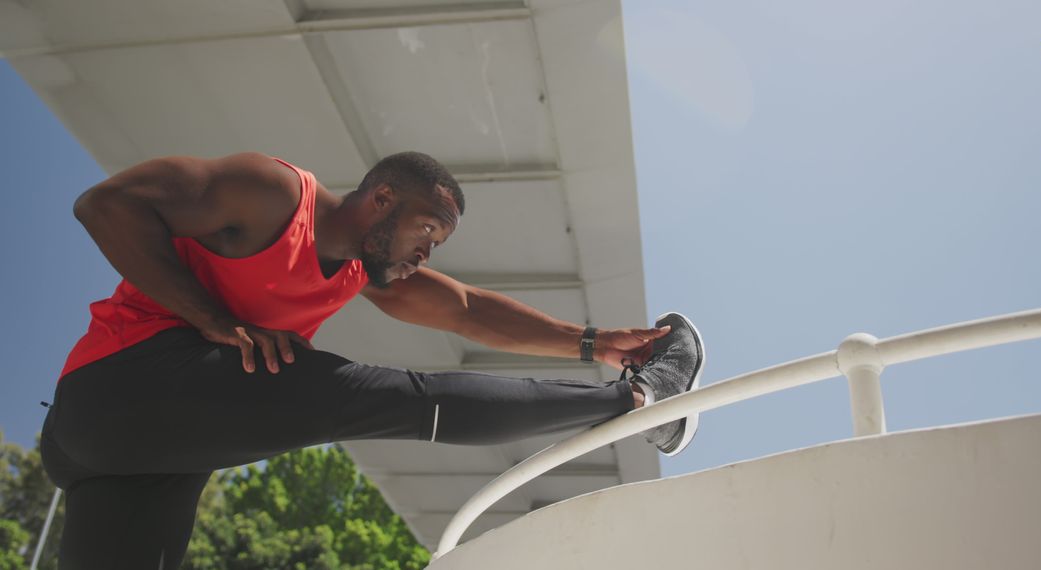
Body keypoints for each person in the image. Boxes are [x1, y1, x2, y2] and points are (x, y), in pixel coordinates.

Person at [40, 151, 705, 569]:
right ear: (382, 199)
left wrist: (595, 343)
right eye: (427, 231)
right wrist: (216, 321)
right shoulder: (270, 194)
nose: (427, 253)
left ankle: (628, 388)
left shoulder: (360, 272)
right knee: (383, 396)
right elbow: (108, 204)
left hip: (138, 464)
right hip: (119, 387)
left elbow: (469, 309)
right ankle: (639, 402)